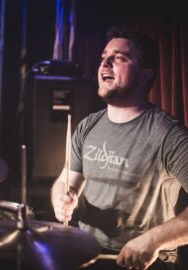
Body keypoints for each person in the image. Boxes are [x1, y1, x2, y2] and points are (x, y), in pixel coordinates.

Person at [51, 25, 188, 270]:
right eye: (104, 57)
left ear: (145, 75)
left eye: (119, 58)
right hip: (88, 254)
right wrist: (60, 199)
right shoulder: (87, 126)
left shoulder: (168, 134)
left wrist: (153, 240)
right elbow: (65, 182)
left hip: (143, 262)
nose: (105, 63)